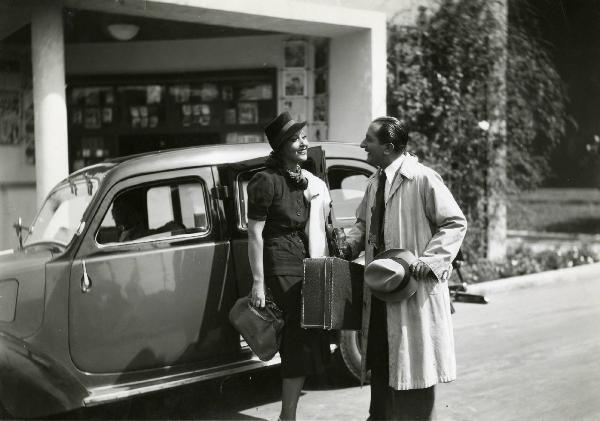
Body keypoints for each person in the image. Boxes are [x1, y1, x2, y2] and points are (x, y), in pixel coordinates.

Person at [345, 116, 467, 420]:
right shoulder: (375, 182)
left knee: (416, 369)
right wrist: (348, 244)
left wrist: (429, 261)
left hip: (413, 290)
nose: (363, 145)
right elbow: (363, 225)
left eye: (368, 140)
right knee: (383, 362)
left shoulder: (423, 179)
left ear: (388, 147)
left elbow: (454, 223)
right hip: (382, 289)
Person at [247, 111, 331, 421]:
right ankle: (288, 416)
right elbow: (254, 234)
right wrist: (258, 282)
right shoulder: (264, 181)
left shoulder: (302, 180)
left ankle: (288, 415)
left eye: (304, 137)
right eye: (295, 139)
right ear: (281, 146)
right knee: (299, 339)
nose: (303, 143)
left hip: (301, 263)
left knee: (302, 339)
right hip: (279, 265)